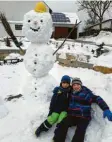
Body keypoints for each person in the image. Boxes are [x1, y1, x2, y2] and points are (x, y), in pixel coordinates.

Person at [53, 77, 112, 142]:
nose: (76, 86)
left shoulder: (86, 93)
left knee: (80, 131)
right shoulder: (71, 92)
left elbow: (97, 99)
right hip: (72, 115)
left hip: (83, 117)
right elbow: (63, 88)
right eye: (74, 85)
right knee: (62, 124)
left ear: (81, 85)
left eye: (78, 84)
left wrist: (106, 109)